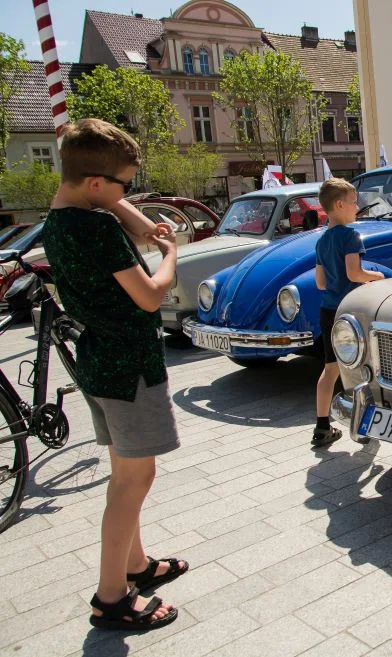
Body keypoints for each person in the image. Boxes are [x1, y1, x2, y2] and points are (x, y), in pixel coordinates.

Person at [44, 119, 187, 631]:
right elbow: (150, 295)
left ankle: (135, 564)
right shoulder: (98, 227)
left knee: (124, 472)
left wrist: (140, 221)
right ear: (99, 185)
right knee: (133, 480)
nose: (131, 195)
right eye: (127, 185)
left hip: (98, 362)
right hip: (130, 367)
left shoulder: (57, 220)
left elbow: (109, 198)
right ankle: (111, 598)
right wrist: (170, 253)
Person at [312, 178, 384, 447]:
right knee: (363, 369)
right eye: (354, 202)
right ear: (339, 204)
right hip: (352, 313)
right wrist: (377, 276)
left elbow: (320, 283)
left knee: (330, 369)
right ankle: (366, 425)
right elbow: (354, 273)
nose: (357, 208)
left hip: (328, 310)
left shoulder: (321, 241)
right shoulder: (351, 236)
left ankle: (321, 426)